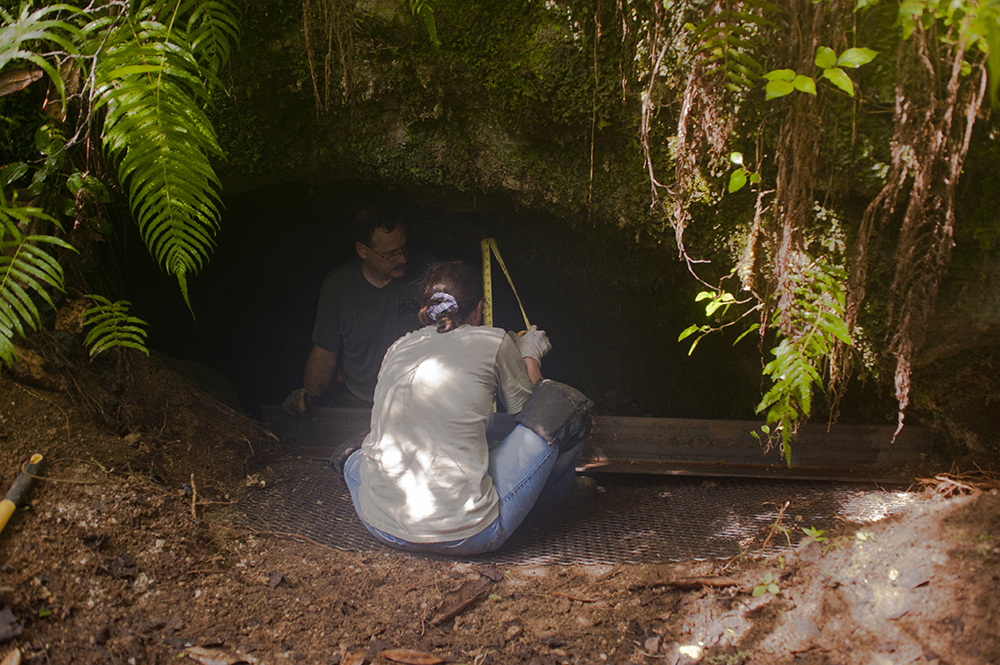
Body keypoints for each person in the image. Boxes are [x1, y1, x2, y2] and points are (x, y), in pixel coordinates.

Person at [341, 261, 596, 556]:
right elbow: (533, 412)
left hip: (380, 524)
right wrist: (529, 357)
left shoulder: (397, 347)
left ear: (427, 310)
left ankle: (353, 462)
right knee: (562, 407)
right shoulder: (494, 339)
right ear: (479, 309)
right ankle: (550, 501)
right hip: (470, 533)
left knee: (358, 457)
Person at [283, 207, 424, 414]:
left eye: (404, 248)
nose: (402, 259)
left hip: (417, 402)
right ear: (362, 251)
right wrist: (310, 395)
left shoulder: (425, 274)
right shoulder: (339, 286)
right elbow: (324, 352)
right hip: (360, 402)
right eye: (391, 254)